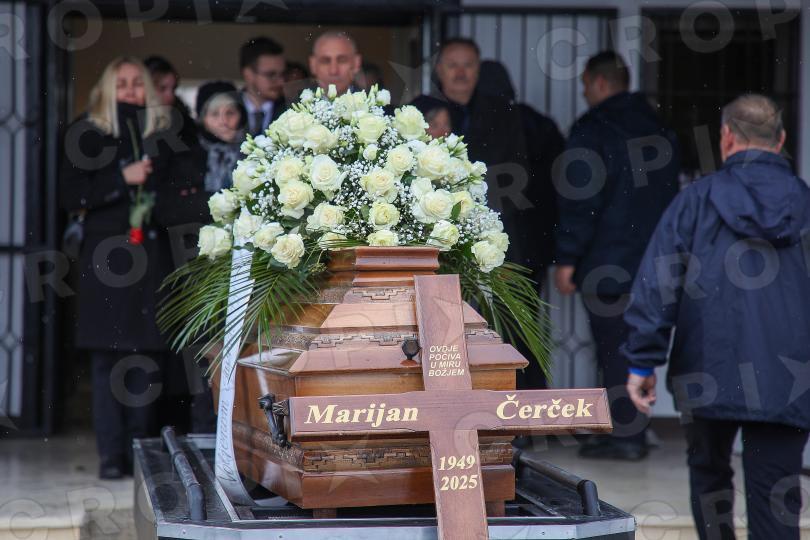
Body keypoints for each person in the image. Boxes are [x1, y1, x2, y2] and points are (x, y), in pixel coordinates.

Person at [624, 94, 810, 540]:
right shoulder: (805, 202)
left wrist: (642, 362)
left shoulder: (695, 200)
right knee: (776, 494)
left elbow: (658, 281)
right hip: (789, 374)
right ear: (780, 140)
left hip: (707, 365)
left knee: (709, 482)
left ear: (726, 137)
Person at [553, 51, 680, 460]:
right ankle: (629, 428)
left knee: (614, 349)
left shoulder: (594, 129)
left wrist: (567, 257)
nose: (584, 93)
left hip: (608, 262)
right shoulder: (659, 127)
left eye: (585, 85)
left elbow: (581, 201)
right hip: (654, 260)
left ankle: (626, 435)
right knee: (637, 345)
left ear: (600, 82)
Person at [60, 56, 174, 479]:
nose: (129, 91)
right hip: (105, 258)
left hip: (149, 257)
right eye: (121, 83)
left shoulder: (161, 134)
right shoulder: (86, 133)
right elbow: (72, 194)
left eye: (136, 83)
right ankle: (111, 455)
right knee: (106, 358)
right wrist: (121, 179)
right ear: (108, 88)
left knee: (145, 356)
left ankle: (140, 453)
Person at [476, 60, 565, 392]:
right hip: (535, 241)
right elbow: (560, 186)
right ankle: (531, 392)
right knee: (526, 322)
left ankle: (501, 391)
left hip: (499, 240)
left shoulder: (486, 124)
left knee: (491, 324)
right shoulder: (541, 124)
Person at [411, 38, 529, 269]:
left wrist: (486, 217)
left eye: (467, 65)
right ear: (439, 69)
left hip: (492, 226)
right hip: (432, 230)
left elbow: (517, 170)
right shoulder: (421, 109)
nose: (460, 73)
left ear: (478, 69)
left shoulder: (503, 113)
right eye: (452, 65)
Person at [144, 55, 196, 149]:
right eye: (162, 88)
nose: (170, 95)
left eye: (173, 89)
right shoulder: (130, 122)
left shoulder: (184, 124)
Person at [240, 36, 287, 136]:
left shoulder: (290, 110)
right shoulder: (226, 107)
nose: (281, 82)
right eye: (271, 75)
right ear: (248, 74)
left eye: (282, 74)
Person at [309, 31, 362, 96]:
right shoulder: (297, 101)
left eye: (342, 61)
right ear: (313, 65)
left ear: (356, 63)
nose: (333, 71)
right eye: (325, 61)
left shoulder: (370, 101)